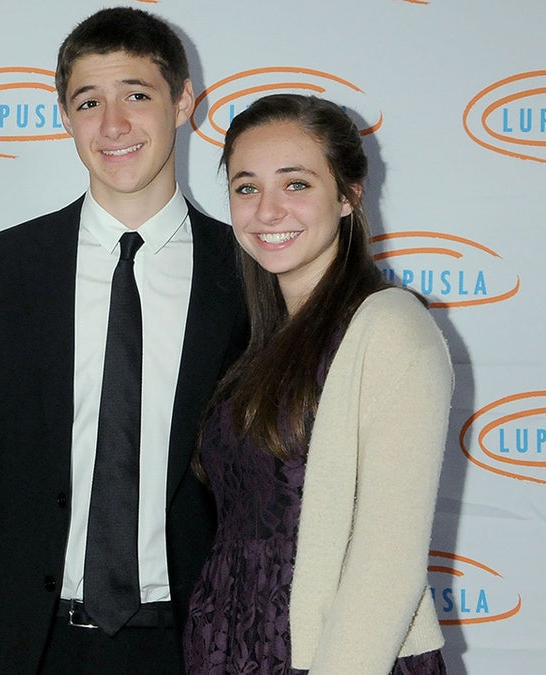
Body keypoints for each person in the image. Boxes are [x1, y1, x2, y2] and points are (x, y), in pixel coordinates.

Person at [0, 7, 248, 674]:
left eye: (137, 94)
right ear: (64, 115)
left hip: (193, 641)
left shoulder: (245, 274)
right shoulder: (3, 269)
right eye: (89, 102)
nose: (113, 125)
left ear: (184, 100)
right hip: (28, 643)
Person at [182, 93, 451, 674]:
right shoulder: (263, 339)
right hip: (235, 644)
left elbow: (386, 565)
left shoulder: (391, 328)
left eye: (296, 184)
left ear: (349, 197)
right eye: (246, 187)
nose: (267, 211)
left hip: (335, 655)